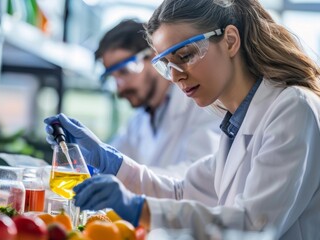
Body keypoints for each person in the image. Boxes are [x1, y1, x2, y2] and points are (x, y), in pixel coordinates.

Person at [44, 0, 320, 239]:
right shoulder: (236, 120)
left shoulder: (292, 108)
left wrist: (140, 208)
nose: (175, 76)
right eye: (167, 64)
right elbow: (181, 192)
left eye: (185, 56)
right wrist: (113, 162)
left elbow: (253, 226)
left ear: (231, 41)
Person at [96, 20, 221, 178]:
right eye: (112, 78)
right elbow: (110, 160)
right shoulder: (139, 121)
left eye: (124, 71)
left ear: (155, 55)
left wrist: (132, 180)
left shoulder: (202, 105)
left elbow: (201, 176)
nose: (119, 88)